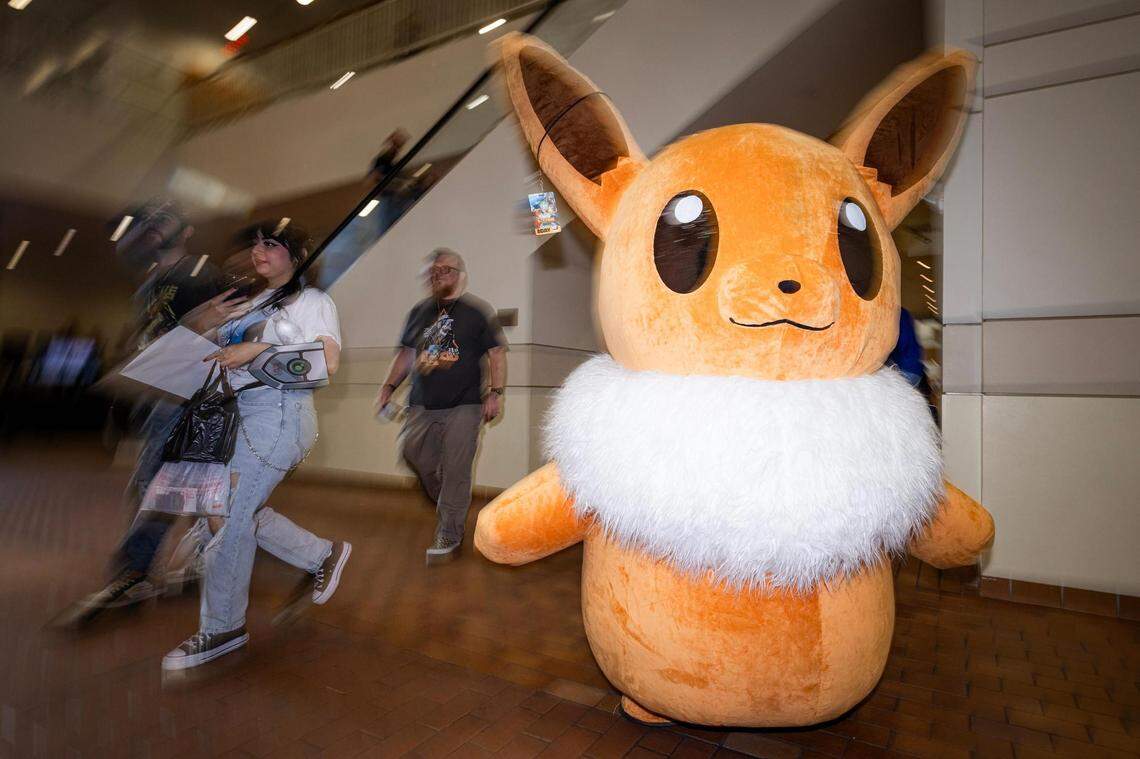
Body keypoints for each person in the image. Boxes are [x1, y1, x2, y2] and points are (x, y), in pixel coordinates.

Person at [161, 222, 352, 670]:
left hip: (279, 413)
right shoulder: (252, 302)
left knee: (226, 513)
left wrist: (257, 351)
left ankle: (223, 627)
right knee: (225, 510)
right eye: (256, 244)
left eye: (271, 244)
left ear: (297, 254)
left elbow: (327, 361)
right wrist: (204, 323)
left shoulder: (312, 301)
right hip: (235, 413)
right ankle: (321, 553)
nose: (258, 251)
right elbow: (206, 354)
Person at [71, 204, 240, 618]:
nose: (154, 225)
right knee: (186, 485)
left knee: (155, 483)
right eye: (151, 220)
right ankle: (208, 558)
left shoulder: (202, 272)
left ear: (186, 231)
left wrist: (200, 332)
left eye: (164, 219)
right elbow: (149, 341)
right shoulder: (147, 288)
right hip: (158, 394)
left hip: (193, 395)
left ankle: (138, 571)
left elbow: (228, 328)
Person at [376, 248, 507, 564]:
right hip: (421, 405)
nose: (438, 276)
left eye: (445, 270)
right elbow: (407, 355)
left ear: (459, 275)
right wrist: (389, 386)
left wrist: (496, 392)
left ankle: (449, 533)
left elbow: (497, 354)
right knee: (412, 454)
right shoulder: (417, 313)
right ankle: (448, 502)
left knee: (457, 470)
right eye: (433, 272)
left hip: (465, 405)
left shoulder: (476, 313)